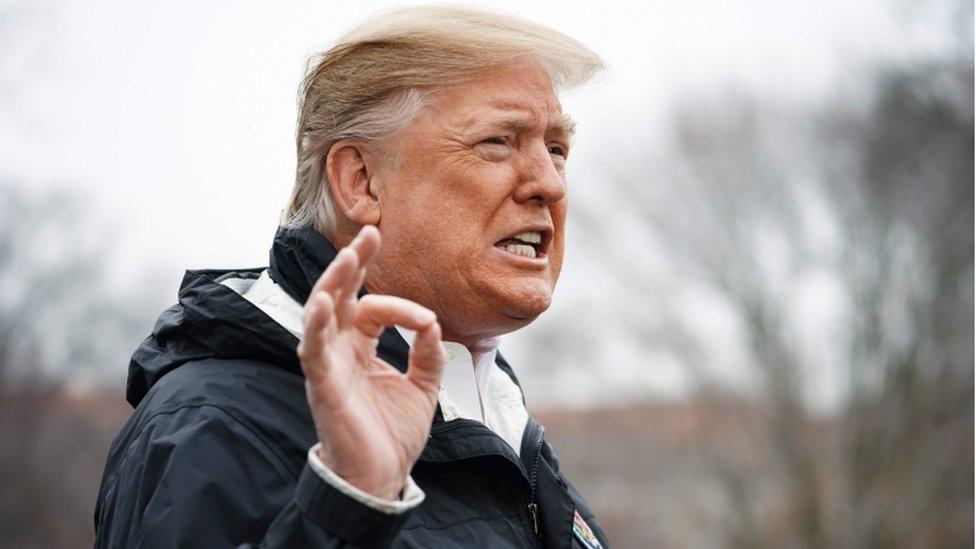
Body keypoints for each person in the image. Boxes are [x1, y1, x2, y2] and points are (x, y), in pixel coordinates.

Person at [94, 5, 609, 548]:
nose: (549, 184)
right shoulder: (208, 427)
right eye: (497, 142)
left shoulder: (504, 426)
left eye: (557, 149)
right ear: (361, 181)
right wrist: (349, 500)